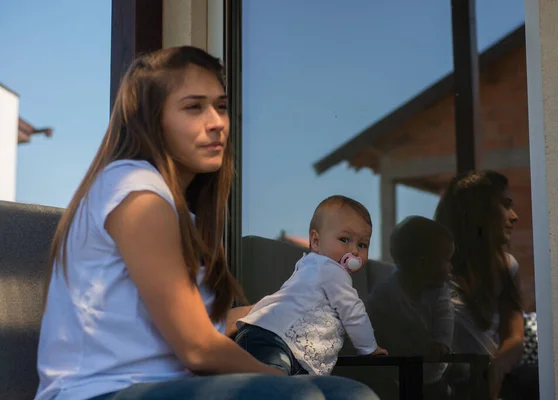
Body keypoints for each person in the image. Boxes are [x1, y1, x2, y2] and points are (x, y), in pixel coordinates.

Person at [35, 46, 378, 400]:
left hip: (173, 386)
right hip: (101, 392)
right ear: (152, 120)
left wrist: (278, 307)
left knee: (351, 394)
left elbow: (199, 327)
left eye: (222, 106)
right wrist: (289, 383)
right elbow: (197, 348)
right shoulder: (135, 193)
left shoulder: (186, 214)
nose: (217, 122)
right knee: (298, 397)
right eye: (194, 107)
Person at [236, 195, 387, 376]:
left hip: (264, 336)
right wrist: (369, 347)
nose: (354, 251)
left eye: (362, 244)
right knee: (272, 387)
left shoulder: (310, 266)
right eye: (345, 240)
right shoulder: (332, 270)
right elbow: (354, 313)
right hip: (277, 342)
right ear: (316, 241)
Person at [434, 170, 539, 400]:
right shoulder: (433, 268)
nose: (514, 216)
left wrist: (496, 369)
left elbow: (514, 335)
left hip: (488, 376)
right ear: (478, 211)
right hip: (446, 381)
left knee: (537, 377)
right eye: (505, 205)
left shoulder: (506, 266)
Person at [366, 216, 454, 395]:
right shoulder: (386, 293)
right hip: (395, 374)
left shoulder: (440, 292)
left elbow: (445, 319)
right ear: (422, 264)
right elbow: (370, 324)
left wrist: (441, 344)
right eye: (447, 260)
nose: (451, 267)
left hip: (434, 375)